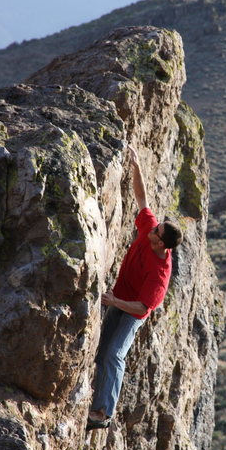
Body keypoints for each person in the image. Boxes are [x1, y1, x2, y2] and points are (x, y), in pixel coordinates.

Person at [87, 146, 183, 430]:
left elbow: (142, 308)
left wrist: (114, 302)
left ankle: (104, 414)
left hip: (132, 312)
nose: (151, 228)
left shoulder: (160, 273)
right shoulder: (149, 231)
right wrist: (136, 165)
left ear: (160, 244)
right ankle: (94, 399)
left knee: (115, 353)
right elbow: (142, 199)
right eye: (155, 227)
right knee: (101, 349)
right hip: (120, 298)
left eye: (156, 231)